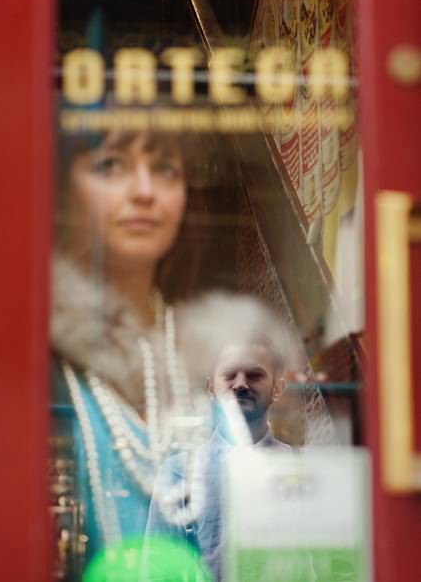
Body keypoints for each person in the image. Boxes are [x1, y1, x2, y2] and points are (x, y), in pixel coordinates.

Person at [50, 128, 215, 579]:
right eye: (111, 165)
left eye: (164, 168)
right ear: (63, 190)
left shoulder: (214, 357)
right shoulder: (34, 358)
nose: (144, 192)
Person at [144, 299, 300, 582]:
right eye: (230, 375)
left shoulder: (301, 471)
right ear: (211, 388)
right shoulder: (179, 473)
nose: (241, 384)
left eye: (254, 375)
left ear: (277, 389)